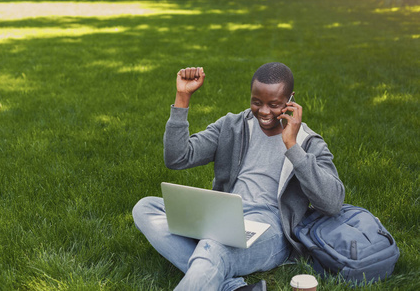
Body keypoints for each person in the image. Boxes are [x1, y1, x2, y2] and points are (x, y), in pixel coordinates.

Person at [132, 63, 345, 291]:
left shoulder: (308, 142)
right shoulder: (232, 126)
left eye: (273, 105)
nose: (264, 111)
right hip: (223, 216)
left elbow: (332, 202)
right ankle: (232, 287)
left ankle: (222, 275)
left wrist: (292, 145)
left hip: (271, 229)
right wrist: (183, 97)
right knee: (145, 208)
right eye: (257, 102)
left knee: (214, 246)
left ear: (290, 99)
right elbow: (177, 158)